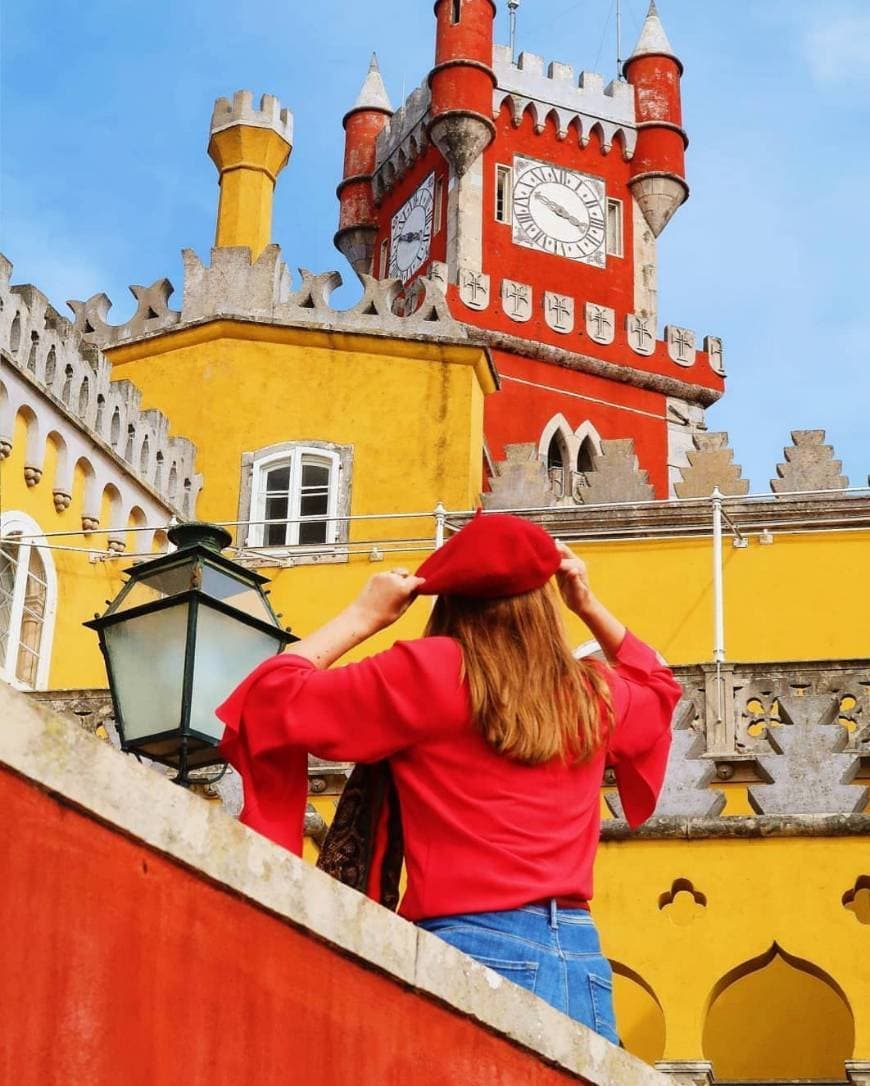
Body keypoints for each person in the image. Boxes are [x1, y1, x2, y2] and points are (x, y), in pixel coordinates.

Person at [217, 513, 682, 1044]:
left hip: (470, 948)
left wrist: (364, 615)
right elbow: (660, 687)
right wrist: (590, 605)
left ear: (452, 599)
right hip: (582, 959)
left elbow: (269, 698)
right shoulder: (593, 693)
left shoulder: (431, 672)